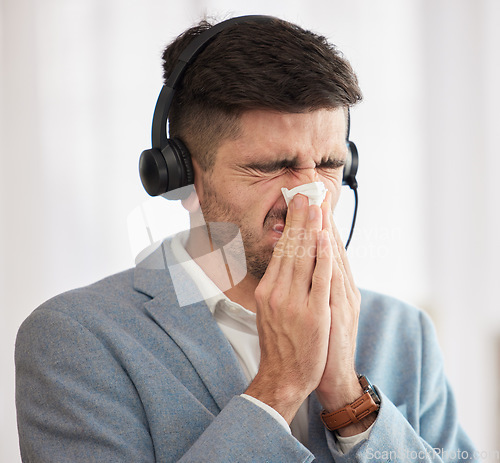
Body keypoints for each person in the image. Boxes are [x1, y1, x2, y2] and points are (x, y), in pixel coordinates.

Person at [15, 15, 477, 462]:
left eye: (330, 164)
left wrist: (348, 400)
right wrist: (280, 387)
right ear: (181, 179)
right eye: (271, 167)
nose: (310, 194)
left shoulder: (404, 334)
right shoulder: (75, 339)